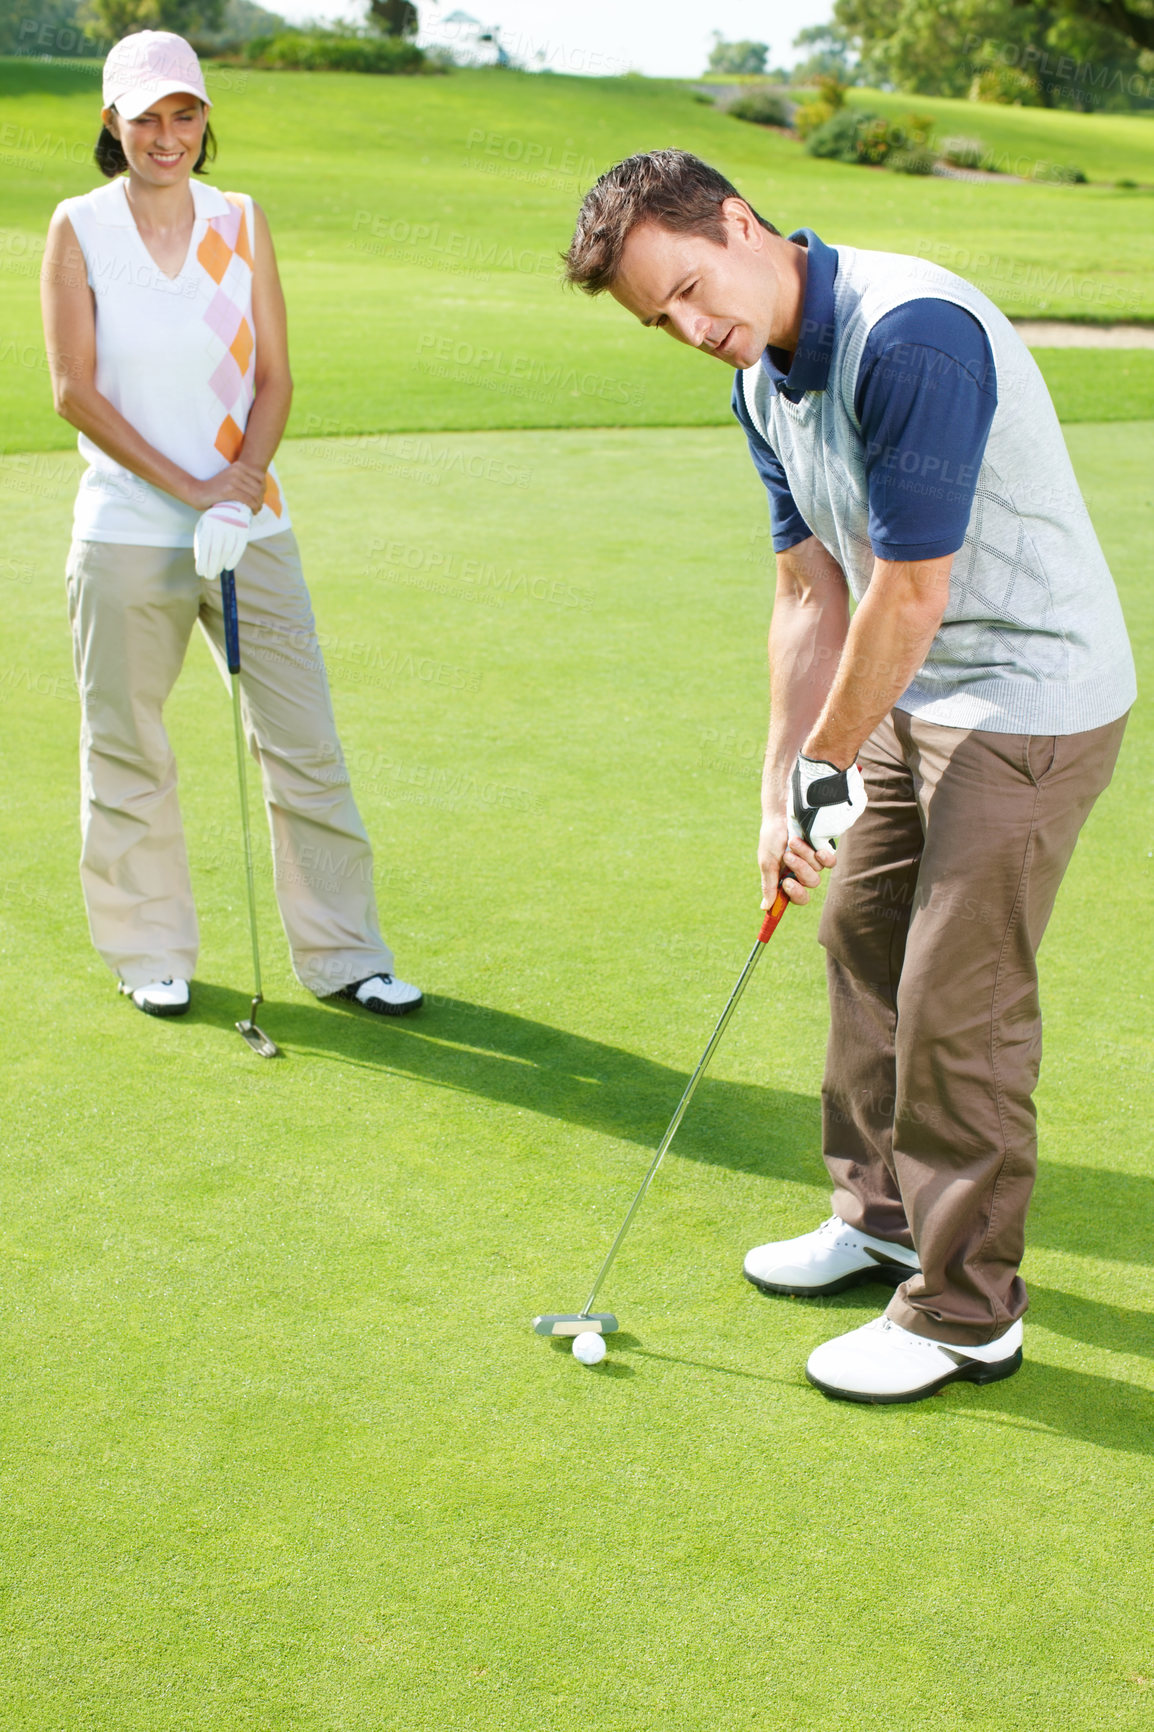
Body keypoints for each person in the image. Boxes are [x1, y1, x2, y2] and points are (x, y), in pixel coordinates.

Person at [563, 150, 1135, 1404]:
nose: (693, 328)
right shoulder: (762, 384)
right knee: (857, 940)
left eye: (692, 290)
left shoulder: (909, 335)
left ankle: (963, 1311)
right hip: (907, 685)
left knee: (954, 1001)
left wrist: (831, 754)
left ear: (736, 220)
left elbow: (910, 587)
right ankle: (878, 1214)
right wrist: (781, 787)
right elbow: (806, 589)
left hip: (1028, 695)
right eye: (661, 319)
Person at [40, 30, 421, 1023]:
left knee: (304, 744)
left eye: (186, 115)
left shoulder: (240, 219)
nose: (168, 137)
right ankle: (148, 949)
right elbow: (75, 393)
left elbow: (275, 376)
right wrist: (192, 491)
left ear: (206, 120)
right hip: (125, 529)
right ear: (111, 123)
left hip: (252, 527)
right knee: (126, 748)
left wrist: (241, 487)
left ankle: (346, 955)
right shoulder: (78, 226)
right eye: (146, 119)